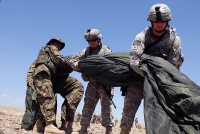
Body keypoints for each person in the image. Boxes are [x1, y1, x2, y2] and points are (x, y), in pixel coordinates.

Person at [120, 3, 184, 134]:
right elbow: (134, 62)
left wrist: (157, 79)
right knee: (127, 114)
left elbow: (172, 66)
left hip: (161, 82)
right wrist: (147, 75)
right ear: (151, 21)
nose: (159, 23)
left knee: (160, 117)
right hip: (139, 78)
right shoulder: (142, 37)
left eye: (163, 21)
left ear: (168, 21)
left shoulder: (174, 40)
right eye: (156, 21)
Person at [33, 38, 84, 134]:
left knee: (77, 86)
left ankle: (66, 124)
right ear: (52, 43)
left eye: (60, 44)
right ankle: (48, 125)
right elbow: (59, 60)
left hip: (55, 78)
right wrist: (73, 64)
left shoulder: (55, 57)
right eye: (57, 43)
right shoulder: (50, 48)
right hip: (44, 73)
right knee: (47, 95)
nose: (59, 45)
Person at [70, 29, 114, 134]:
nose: (92, 42)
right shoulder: (86, 51)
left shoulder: (105, 50)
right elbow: (72, 60)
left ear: (99, 39)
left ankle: (108, 129)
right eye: (89, 41)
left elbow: (111, 63)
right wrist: (80, 66)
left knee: (106, 106)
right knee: (88, 105)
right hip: (92, 83)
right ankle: (84, 128)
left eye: (94, 40)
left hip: (105, 84)